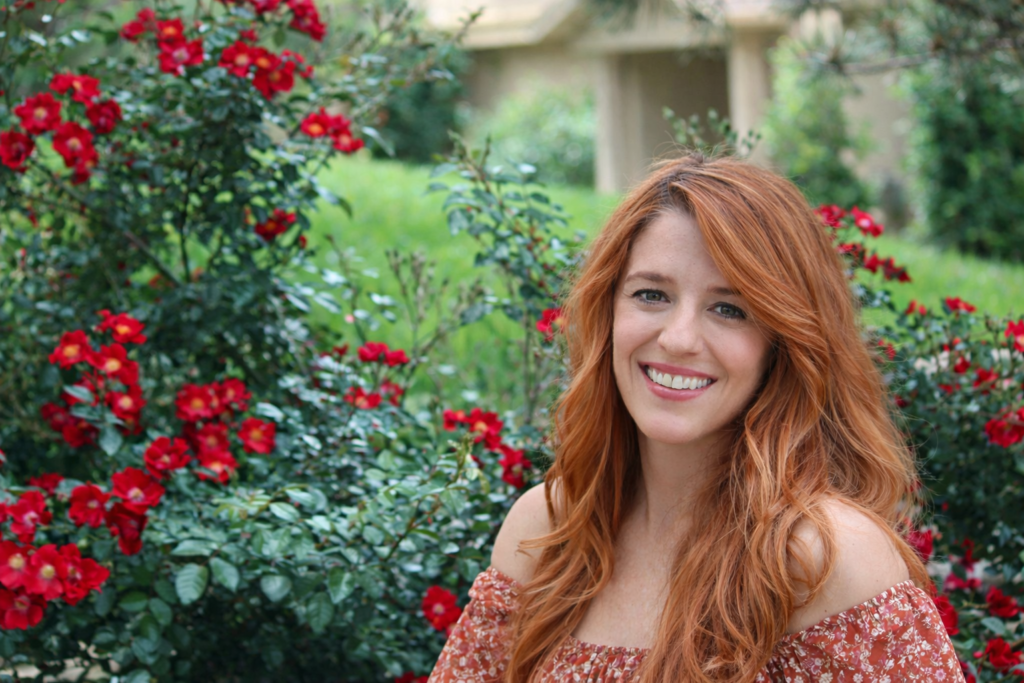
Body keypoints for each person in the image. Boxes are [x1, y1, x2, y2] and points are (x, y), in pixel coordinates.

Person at [427, 155, 964, 682]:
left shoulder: (825, 557)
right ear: (607, 311)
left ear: (784, 343)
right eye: (651, 295)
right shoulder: (548, 529)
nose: (678, 338)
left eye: (729, 308)